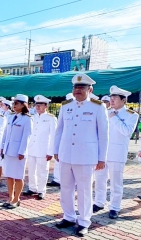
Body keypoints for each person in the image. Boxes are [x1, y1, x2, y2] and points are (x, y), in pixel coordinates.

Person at [54, 73, 109, 237]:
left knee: (84, 191)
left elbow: (104, 134)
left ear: (90, 89)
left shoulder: (98, 106)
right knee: (66, 189)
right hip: (65, 155)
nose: (78, 90)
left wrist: (101, 158)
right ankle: (69, 217)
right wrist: (56, 150)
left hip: (86, 157)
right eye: (75, 87)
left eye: (82, 87)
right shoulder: (66, 105)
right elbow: (59, 130)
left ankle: (84, 222)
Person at [94, 86, 139, 219]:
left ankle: (114, 207)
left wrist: (113, 117)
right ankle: (99, 202)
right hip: (103, 153)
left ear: (124, 100)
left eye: (115, 98)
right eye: (111, 97)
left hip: (117, 153)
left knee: (116, 183)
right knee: (100, 179)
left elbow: (126, 132)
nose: (111, 100)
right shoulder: (105, 112)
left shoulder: (132, 115)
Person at [1, 94, 33, 209]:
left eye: (16, 103)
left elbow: (27, 137)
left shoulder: (27, 119)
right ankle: (10, 197)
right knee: (9, 176)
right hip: (8, 151)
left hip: (19, 152)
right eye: (13, 103)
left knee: (18, 176)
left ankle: (16, 199)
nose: (14, 105)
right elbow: (5, 133)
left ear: (23, 105)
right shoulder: (10, 117)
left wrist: (22, 152)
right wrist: (2, 147)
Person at [24, 95, 57, 200]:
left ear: (46, 106)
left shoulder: (51, 118)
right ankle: (32, 188)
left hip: (43, 149)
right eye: (36, 104)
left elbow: (53, 136)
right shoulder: (32, 117)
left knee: (42, 171)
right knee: (31, 170)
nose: (37, 107)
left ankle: (42, 190)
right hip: (32, 148)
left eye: (40, 104)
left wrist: (50, 152)